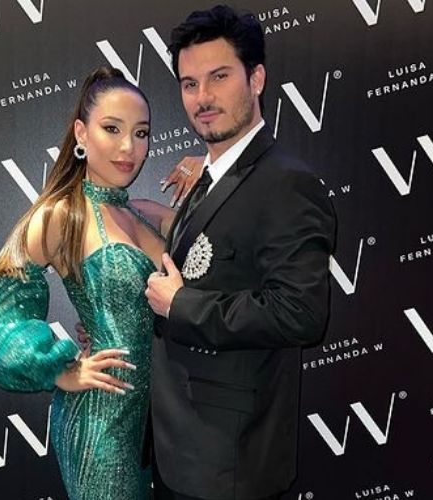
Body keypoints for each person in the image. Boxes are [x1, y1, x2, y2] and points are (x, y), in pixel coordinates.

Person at [0, 67, 199, 500]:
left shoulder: (145, 213)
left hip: (160, 427)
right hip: (101, 423)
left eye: (141, 133)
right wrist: (61, 369)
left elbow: (226, 242)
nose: (128, 147)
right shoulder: (62, 214)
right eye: (112, 129)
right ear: (81, 133)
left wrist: (207, 170)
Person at [144, 5, 337, 500]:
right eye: (189, 84)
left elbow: (300, 313)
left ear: (256, 79)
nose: (202, 98)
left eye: (219, 77)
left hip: (229, 465)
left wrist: (182, 305)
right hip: (178, 449)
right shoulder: (208, 177)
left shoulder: (286, 184)